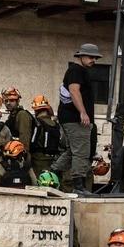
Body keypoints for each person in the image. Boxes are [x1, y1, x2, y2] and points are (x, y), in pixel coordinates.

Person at [52, 44, 102, 192]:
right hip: (75, 119)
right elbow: (74, 91)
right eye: (91, 57)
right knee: (81, 152)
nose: (94, 60)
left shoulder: (77, 70)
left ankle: (52, 172)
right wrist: (83, 112)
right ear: (81, 56)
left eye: (95, 57)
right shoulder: (76, 70)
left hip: (71, 118)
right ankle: (78, 187)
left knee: (72, 151)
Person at [29, 95, 61, 178]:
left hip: (38, 160)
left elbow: (32, 142)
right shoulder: (55, 124)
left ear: (36, 110)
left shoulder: (37, 123)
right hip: (53, 160)